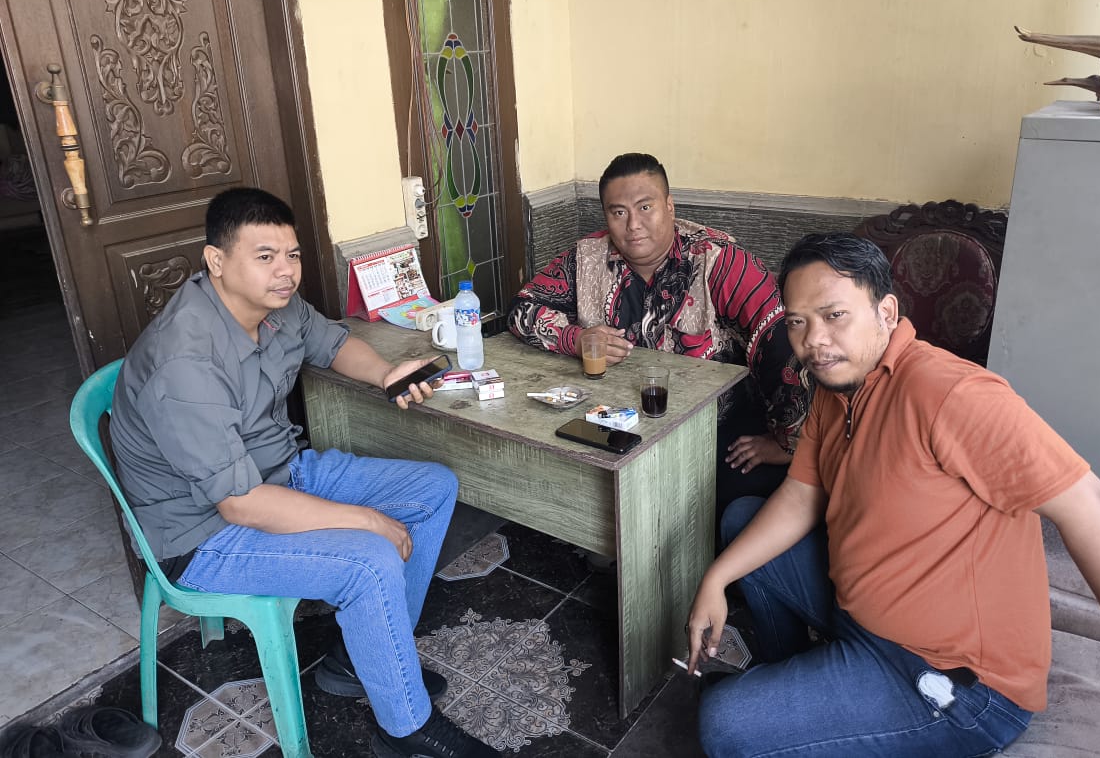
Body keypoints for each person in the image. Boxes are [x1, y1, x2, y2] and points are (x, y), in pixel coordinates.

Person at [685, 231, 1100, 757]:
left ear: (886, 312)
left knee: (723, 724)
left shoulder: (949, 393)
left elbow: (1090, 507)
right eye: (798, 322)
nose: (813, 340)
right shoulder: (837, 388)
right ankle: (795, 682)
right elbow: (800, 496)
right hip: (861, 617)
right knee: (742, 519)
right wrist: (716, 578)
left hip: (956, 683)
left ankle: (798, 709)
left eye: (834, 315)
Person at [110, 188, 497, 758]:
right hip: (203, 536)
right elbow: (241, 504)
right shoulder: (184, 360)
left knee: (432, 488)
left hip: (279, 474)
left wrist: (388, 373)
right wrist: (367, 521)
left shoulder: (275, 305)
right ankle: (407, 731)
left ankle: (359, 662)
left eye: (291, 255)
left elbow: (332, 344)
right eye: (265, 256)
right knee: (370, 559)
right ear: (216, 261)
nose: (285, 271)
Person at [508, 153, 808, 513]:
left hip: (714, 425)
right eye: (618, 212)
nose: (633, 225)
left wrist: (787, 443)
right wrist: (576, 339)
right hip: (619, 419)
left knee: (710, 496)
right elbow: (522, 309)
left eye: (645, 207)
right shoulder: (587, 258)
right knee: (559, 471)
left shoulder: (718, 261)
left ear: (669, 206)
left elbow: (782, 344)